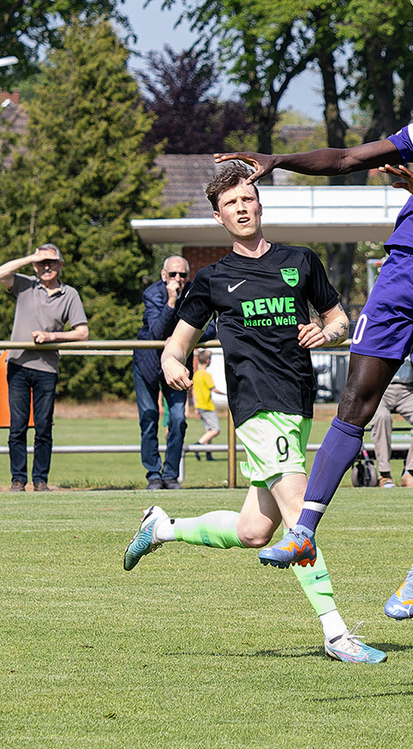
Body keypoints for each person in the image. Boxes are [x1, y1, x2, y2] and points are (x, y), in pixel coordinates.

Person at [218, 51, 413, 621]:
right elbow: (345, 155)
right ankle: (305, 530)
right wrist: (277, 159)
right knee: (353, 404)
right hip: (396, 277)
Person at [121, 163, 384, 664]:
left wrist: (326, 333)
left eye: (248, 198)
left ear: (260, 203)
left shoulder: (301, 262)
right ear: (220, 218)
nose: (242, 208)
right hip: (257, 405)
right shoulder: (212, 279)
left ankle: (163, 528)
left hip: (296, 401)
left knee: (253, 531)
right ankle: (336, 633)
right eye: (231, 204)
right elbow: (175, 346)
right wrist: (173, 363)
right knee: (299, 515)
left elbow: (340, 320)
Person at [0, 244, 89, 492]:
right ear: (34, 265)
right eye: (42, 262)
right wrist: (30, 257)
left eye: (52, 262)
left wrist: (52, 337)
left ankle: (41, 480)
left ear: (61, 265)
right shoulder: (25, 285)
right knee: (18, 426)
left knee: (44, 427)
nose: (47, 267)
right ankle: (18, 479)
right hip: (18, 364)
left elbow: (82, 333)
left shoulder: (70, 294)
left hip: (46, 368)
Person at [134, 256, 192, 490]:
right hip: (147, 364)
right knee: (149, 417)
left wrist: (180, 338)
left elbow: (209, 328)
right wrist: (171, 300)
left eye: (183, 275)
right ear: (163, 275)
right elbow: (157, 330)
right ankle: (153, 475)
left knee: (178, 419)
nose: (178, 279)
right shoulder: (152, 294)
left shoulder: (195, 295)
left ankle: (170, 475)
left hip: (177, 365)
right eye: (173, 274)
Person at [368, 358, 413, 489]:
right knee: (381, 416)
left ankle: (411, 472)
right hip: (381, 388)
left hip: (409, 389)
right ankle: (384, 474)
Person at [191, 349, 222, 461]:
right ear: (208, 360)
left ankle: (209, 455)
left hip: (199, 405)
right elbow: (213, 389)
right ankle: (197, 446)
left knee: (209, 430)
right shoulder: (206, 374)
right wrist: (226, 393)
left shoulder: (196, 374)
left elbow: (194, 392)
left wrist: (195, 407)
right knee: (215, 430)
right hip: (207, 406)